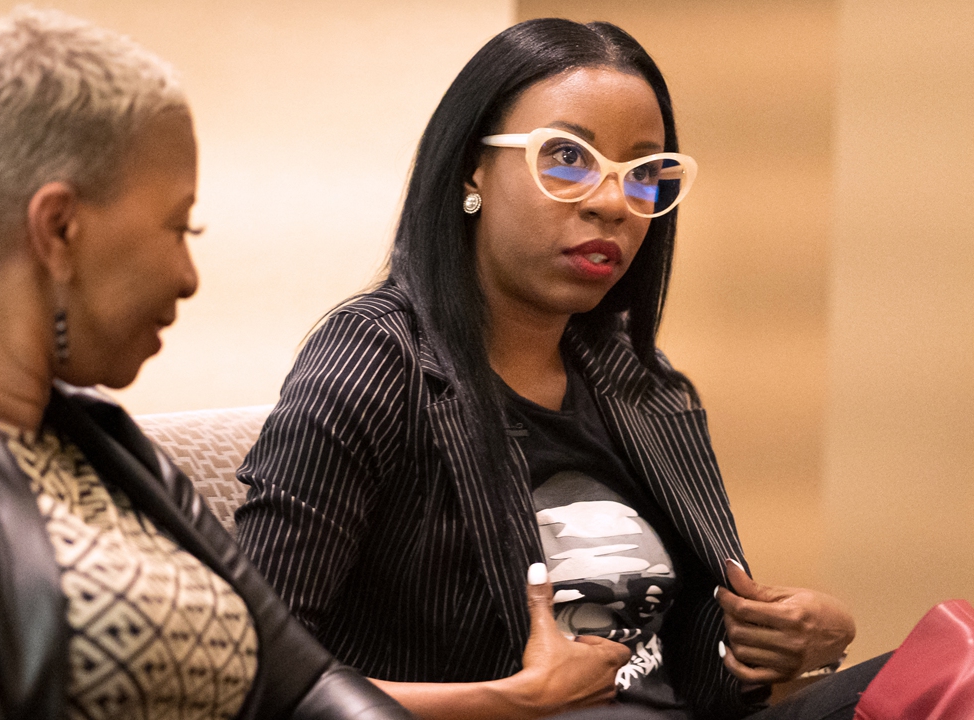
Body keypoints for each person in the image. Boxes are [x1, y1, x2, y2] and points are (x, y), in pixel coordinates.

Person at [234, 18, 886, 720]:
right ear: (470, 170)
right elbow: (252, 673)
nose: (613, 203)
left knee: (951, 670)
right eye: (568, 158)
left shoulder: (638, 381)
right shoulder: (376, 358)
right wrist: (507, 701)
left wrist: (790, 643)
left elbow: (699, 670)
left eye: (644, 175)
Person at [0, 9, 409, 720]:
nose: (188, 275)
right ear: (59, 229)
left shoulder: (109, 448)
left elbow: (307, 687)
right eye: (179, 226)